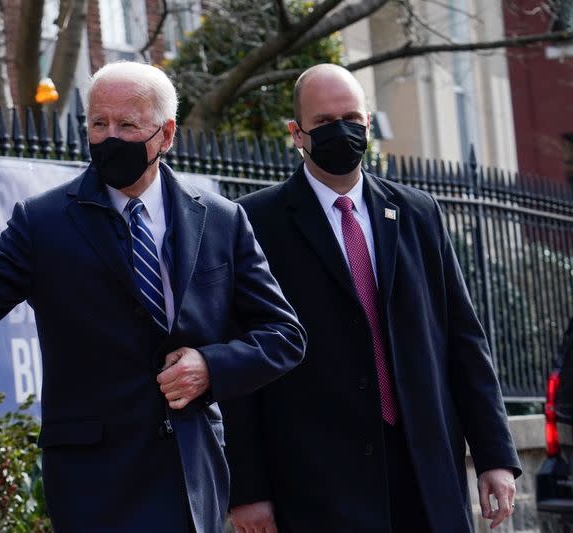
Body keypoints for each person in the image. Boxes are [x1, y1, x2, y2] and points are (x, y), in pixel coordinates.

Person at [0, 61, 305, 533]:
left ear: (166, 134)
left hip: (191, 471)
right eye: (97, 123)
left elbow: (283, 335)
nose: (110, 137)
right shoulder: (42, 221)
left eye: (127, 125)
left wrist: (210, 367)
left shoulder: (221, 219)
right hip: (94, 484)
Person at [222, 63, 521, 533]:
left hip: (426, 469)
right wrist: (248, 491)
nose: (341, 131)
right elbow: (242, 361)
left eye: (353, 119)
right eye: (323, 123)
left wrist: (495, 457)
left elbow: (464, 340)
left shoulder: (419, 213)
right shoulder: (255, 222)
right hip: (317, 483)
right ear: (297, 133)